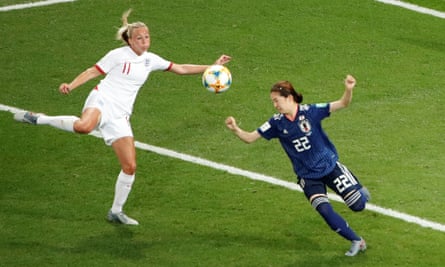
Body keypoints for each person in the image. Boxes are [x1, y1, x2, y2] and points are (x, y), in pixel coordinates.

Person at [14, 9, 231, 226]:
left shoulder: (150, 60)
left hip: (121, 114)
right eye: (140, 38)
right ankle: (39, 118)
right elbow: (92, 71)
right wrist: (71, 85)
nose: (145, 41)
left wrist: (213, 66)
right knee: (83, 127)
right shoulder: (117, 56)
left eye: (147, 37)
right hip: (102, 99)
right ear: (129, 40)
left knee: (130, 167)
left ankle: (116, 211)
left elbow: (181, 68)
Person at [225, 75, 370, 256]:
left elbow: (343, 103)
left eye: (277, 101)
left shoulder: (310, 112)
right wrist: (236, 129)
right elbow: (250, 138)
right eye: (273, 102)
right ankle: (357, 240)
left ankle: (359, 190)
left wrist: (348, 89)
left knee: (358, 205)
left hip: (329, 167)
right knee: (324, 210)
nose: (275, 105)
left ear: (289, 97)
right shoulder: (276, 123)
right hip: (307, 176)